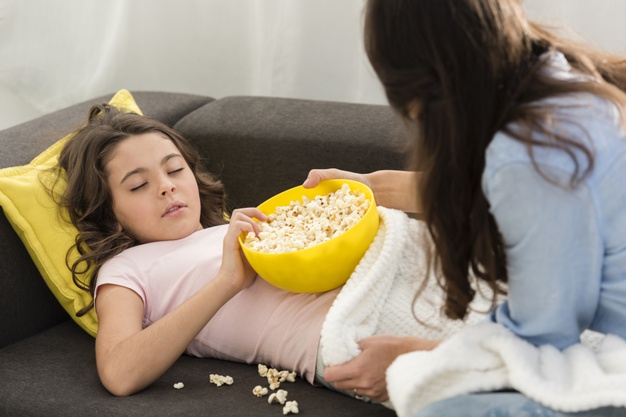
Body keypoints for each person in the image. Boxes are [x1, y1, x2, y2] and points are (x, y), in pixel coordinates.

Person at [303, 0, 626, 415]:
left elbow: (542, 336)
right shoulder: (558, 76)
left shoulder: (531, 156)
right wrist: (368, 188)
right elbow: (488, 194)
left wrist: (414, 358)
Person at [52, 103, 448, 402]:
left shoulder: (233, 229)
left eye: (174, 170)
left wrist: (364, 189)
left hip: (392, 276)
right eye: (138, 185)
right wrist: (227, 282)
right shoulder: (126, 270)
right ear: (111, 214)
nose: (167, 187)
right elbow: (120, 371)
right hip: (346, 329)